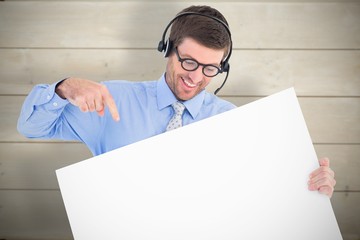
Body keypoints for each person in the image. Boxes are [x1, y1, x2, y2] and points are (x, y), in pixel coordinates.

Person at [17, 5, 336, 197]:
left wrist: (312, 183)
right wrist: (62, 89)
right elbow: (32, 128)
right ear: (168, 49)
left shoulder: (234, 122)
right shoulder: (113, 100)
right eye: (188, 62)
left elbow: (269, 189)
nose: (196, 77)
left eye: (210, 68)